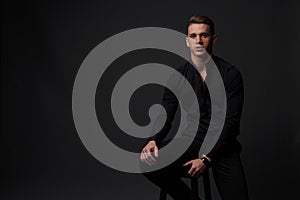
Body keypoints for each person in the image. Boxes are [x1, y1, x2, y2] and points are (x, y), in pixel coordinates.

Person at [140, 15, 249, 200]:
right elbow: (166, 113)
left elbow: (230, 124)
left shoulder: (231, 75)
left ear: (213, 39)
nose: (198, 40)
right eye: (193, 36)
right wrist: (153, 139)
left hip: (223, 146)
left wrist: (207, 159)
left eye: (204, 35)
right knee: (148, 162)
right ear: (187, 41)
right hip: (192, 140)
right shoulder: (178, 76)